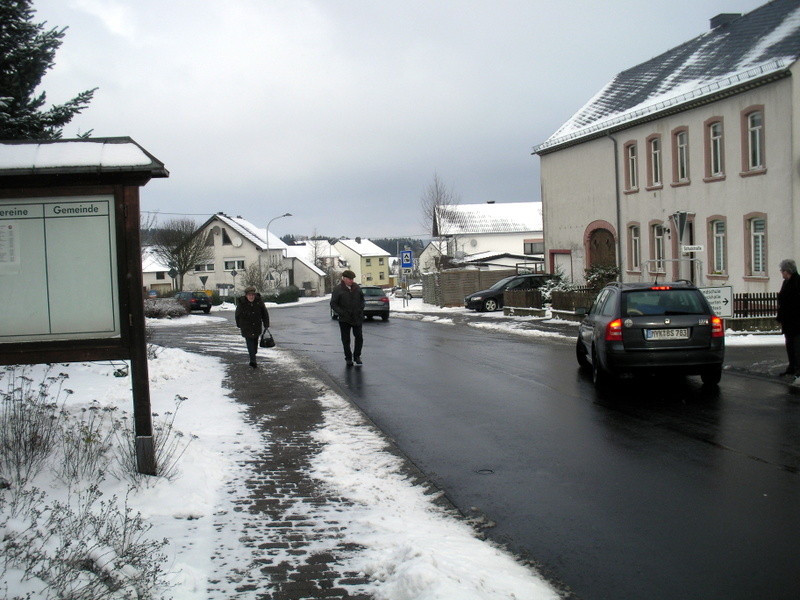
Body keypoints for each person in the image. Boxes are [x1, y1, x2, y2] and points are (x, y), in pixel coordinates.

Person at [330, 270, 365, 366]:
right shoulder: (338, 289)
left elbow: (362, 300)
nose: (351, 281)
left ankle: (357, 356)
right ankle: (348, 358)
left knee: (359, 338)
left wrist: (360, 310)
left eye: (352, 279)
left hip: (357, 317)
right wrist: (341, 313)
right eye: (350, 279)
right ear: (344, 278)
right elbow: (333, 304)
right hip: (344, 319)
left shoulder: (357, 288)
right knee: (346, 340)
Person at [235, 286, 270, 368]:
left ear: (255, 295)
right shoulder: (242, 303)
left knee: (255, 344)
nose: (251, 297)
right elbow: (237, 315)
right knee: (249, 342)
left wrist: (266, 324)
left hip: (256, 326)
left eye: (252, 295)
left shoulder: (259, 302)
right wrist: (239, 324)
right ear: (246, 296)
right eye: (249, 295)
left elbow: (264, 313)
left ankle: (253, 354)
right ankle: (253, 361)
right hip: (246, 327)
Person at [776, 259, 800, 376]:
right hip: (788, 320)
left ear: (787, 271)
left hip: (796, 321)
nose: (781, 273)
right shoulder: (786, 282)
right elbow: (783, 300)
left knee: (797, 346)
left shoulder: (797, 282)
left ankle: (798, 369)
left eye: (782, 270)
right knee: (789, 345)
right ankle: (792, 367)